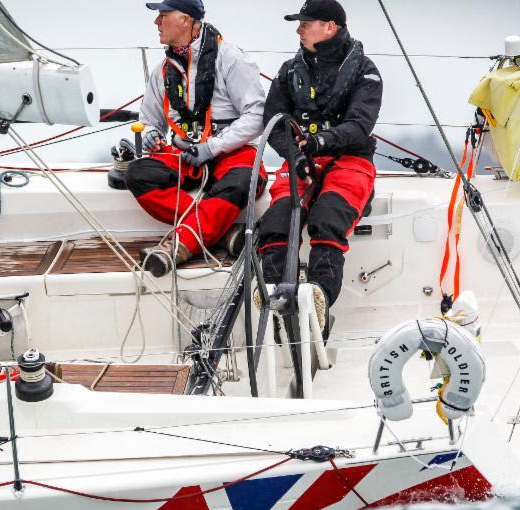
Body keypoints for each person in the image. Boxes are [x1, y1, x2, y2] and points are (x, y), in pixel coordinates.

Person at [257, 0, 383, 328]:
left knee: (327, 219)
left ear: (329, 27)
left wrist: (320, 142)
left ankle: (318, 301)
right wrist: (296, 154)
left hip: (350, 159)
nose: (298, 29)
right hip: (301, 161)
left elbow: (359, 125)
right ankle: (272, 297)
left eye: (305, 23)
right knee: (277, 220)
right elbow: (274, 121)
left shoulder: (366, 72)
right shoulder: (288, 72)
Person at [125, 0, 267, 277]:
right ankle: (222, 233)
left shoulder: (231, 59)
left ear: (187, 20)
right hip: (185, 155)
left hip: (229, 151)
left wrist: (212, 147)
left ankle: (177, 246)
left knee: (243, 182)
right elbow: (149, 120)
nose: (157, 22)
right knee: (138, 174)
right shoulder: (163, 70)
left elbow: (257, 116)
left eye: (163, 15)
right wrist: (153, 134)